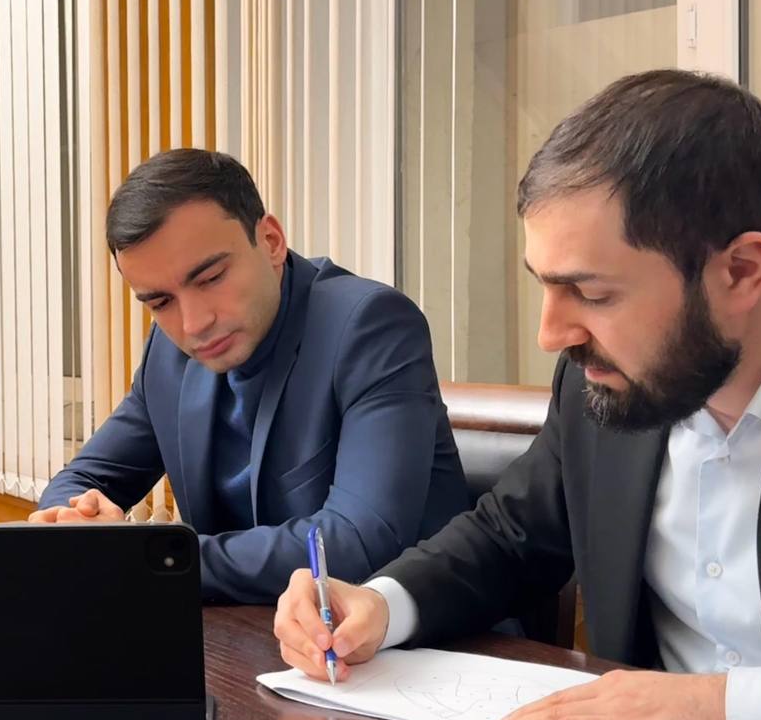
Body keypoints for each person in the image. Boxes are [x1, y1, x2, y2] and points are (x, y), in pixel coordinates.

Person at [273, 69, 761, 720]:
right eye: (545, 286)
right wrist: (380, 605)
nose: (551, 335)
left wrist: (723, 711)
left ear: (742, 271)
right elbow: (509, 537)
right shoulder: (601, 386)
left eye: (592, 294)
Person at [30, 148, 467, 602]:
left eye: (211, 278)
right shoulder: (169, 352)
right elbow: (82, 479)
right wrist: (76, 521)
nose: (193, 323)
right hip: (252, 630)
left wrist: (148, 557)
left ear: (271, 241)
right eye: (160, 302)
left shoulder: (370, 326)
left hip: (421, 636)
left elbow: (356, 541)